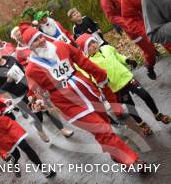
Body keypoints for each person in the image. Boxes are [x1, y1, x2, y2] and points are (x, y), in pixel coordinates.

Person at [20, 25, 147, 168]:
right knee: (102, 130)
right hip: (69, 104)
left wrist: (100, 76)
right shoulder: (32, 69)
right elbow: (36, 91)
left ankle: (114, 153)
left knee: (105, 126)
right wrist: (38, 101)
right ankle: (132, 161)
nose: (41, 40)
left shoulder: (61, 46)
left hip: (88, 92)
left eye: (40, 36)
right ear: (30, 46)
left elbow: (83, 61)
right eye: (36, 40)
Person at [75, 33, 171, 135]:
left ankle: (158, 114)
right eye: (89, 45)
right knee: (131, 107)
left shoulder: (107, 48)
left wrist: (127, 60)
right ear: (85, 50)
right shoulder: (89, 62)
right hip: (116, 87)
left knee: (145, 95)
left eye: (93, 42)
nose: (93, 45)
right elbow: (92, 77)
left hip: (127, 77)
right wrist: (100, 83)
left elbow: (117, 56)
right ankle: (142, 125)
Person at [0, 84, 56, 178]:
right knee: (16, 154)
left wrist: (6, 101)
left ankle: (45, 170)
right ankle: (14, 161)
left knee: (26, 146)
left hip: (7, 124)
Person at [0, 46, 74, 142]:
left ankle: (63, 129)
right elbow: (0, 92)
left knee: (49, 108)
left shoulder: (10, 58)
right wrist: (8, 81)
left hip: (31, 88)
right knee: (37, 116)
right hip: (20, 97)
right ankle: (40, 130)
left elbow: (23, 70)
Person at [121, 0, 159, 80]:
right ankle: (149, 66)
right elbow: (128, 17)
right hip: (142, 27)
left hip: (162, 17)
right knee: (150, 52)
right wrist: (146, 32)